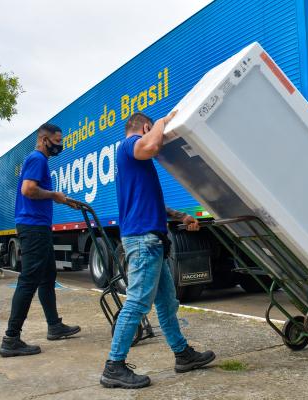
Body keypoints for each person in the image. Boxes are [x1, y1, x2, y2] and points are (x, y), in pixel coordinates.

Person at [100, 112, 215, 390]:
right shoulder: (130, 146)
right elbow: (151, 145)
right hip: (143, 242)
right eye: (151, 129)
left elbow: (152, 205)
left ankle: (182, 354)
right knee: (138, 302)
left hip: (151, 241)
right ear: (145, 127)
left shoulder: (133, 163)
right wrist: (163, 122)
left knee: (166, 303)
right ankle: (114, 366)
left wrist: (181, 216)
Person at [0, 123, 80, 358]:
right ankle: (11, 338)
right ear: (44, 140)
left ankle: (54, 325)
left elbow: (38, 193)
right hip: (33, 227)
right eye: (56, 141)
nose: (59, 145)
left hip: (38, 226)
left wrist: (63, 200)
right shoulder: (37, 159)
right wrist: (54, 195)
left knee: (47, 276)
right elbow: (28, 190)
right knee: (29, 280)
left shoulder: (38, 160)